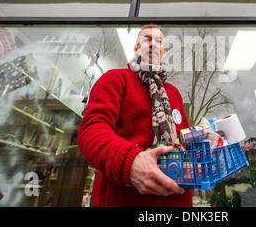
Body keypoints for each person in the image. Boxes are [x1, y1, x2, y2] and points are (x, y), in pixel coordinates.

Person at [77, 24, 193, 207]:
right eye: (147, 39)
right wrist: (129, 162)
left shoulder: (175, 93)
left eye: (159, 41)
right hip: (123, 199)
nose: (153, 44)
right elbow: (91, 130)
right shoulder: (115, 79)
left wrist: (210, 156)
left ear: (163, 51)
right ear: (136, 48)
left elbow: (187, 141)